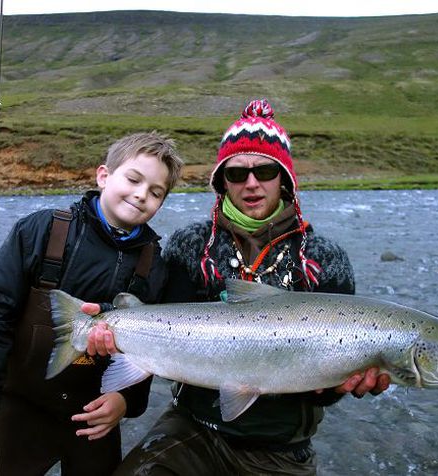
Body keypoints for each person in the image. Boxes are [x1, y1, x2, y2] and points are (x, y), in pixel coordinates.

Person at [86, 99, 390, 475]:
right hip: (192, 429)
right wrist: (109, 340)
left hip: (281, 448)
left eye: (265, 170)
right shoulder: (191, 245)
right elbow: (154, 331)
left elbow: (328, 391)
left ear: (285, 179)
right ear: (221, 182)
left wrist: (350, 382)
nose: (251, 183)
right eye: (236, 174)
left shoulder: (325, 258)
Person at [0, 131, 184, 475]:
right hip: (19, 411)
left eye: (155, 192)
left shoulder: (157, 267)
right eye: (133, 180)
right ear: (103, 175)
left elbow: (150, 351)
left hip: (94, 419)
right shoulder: (40, 230)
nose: (141, 195)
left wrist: (126, 402)